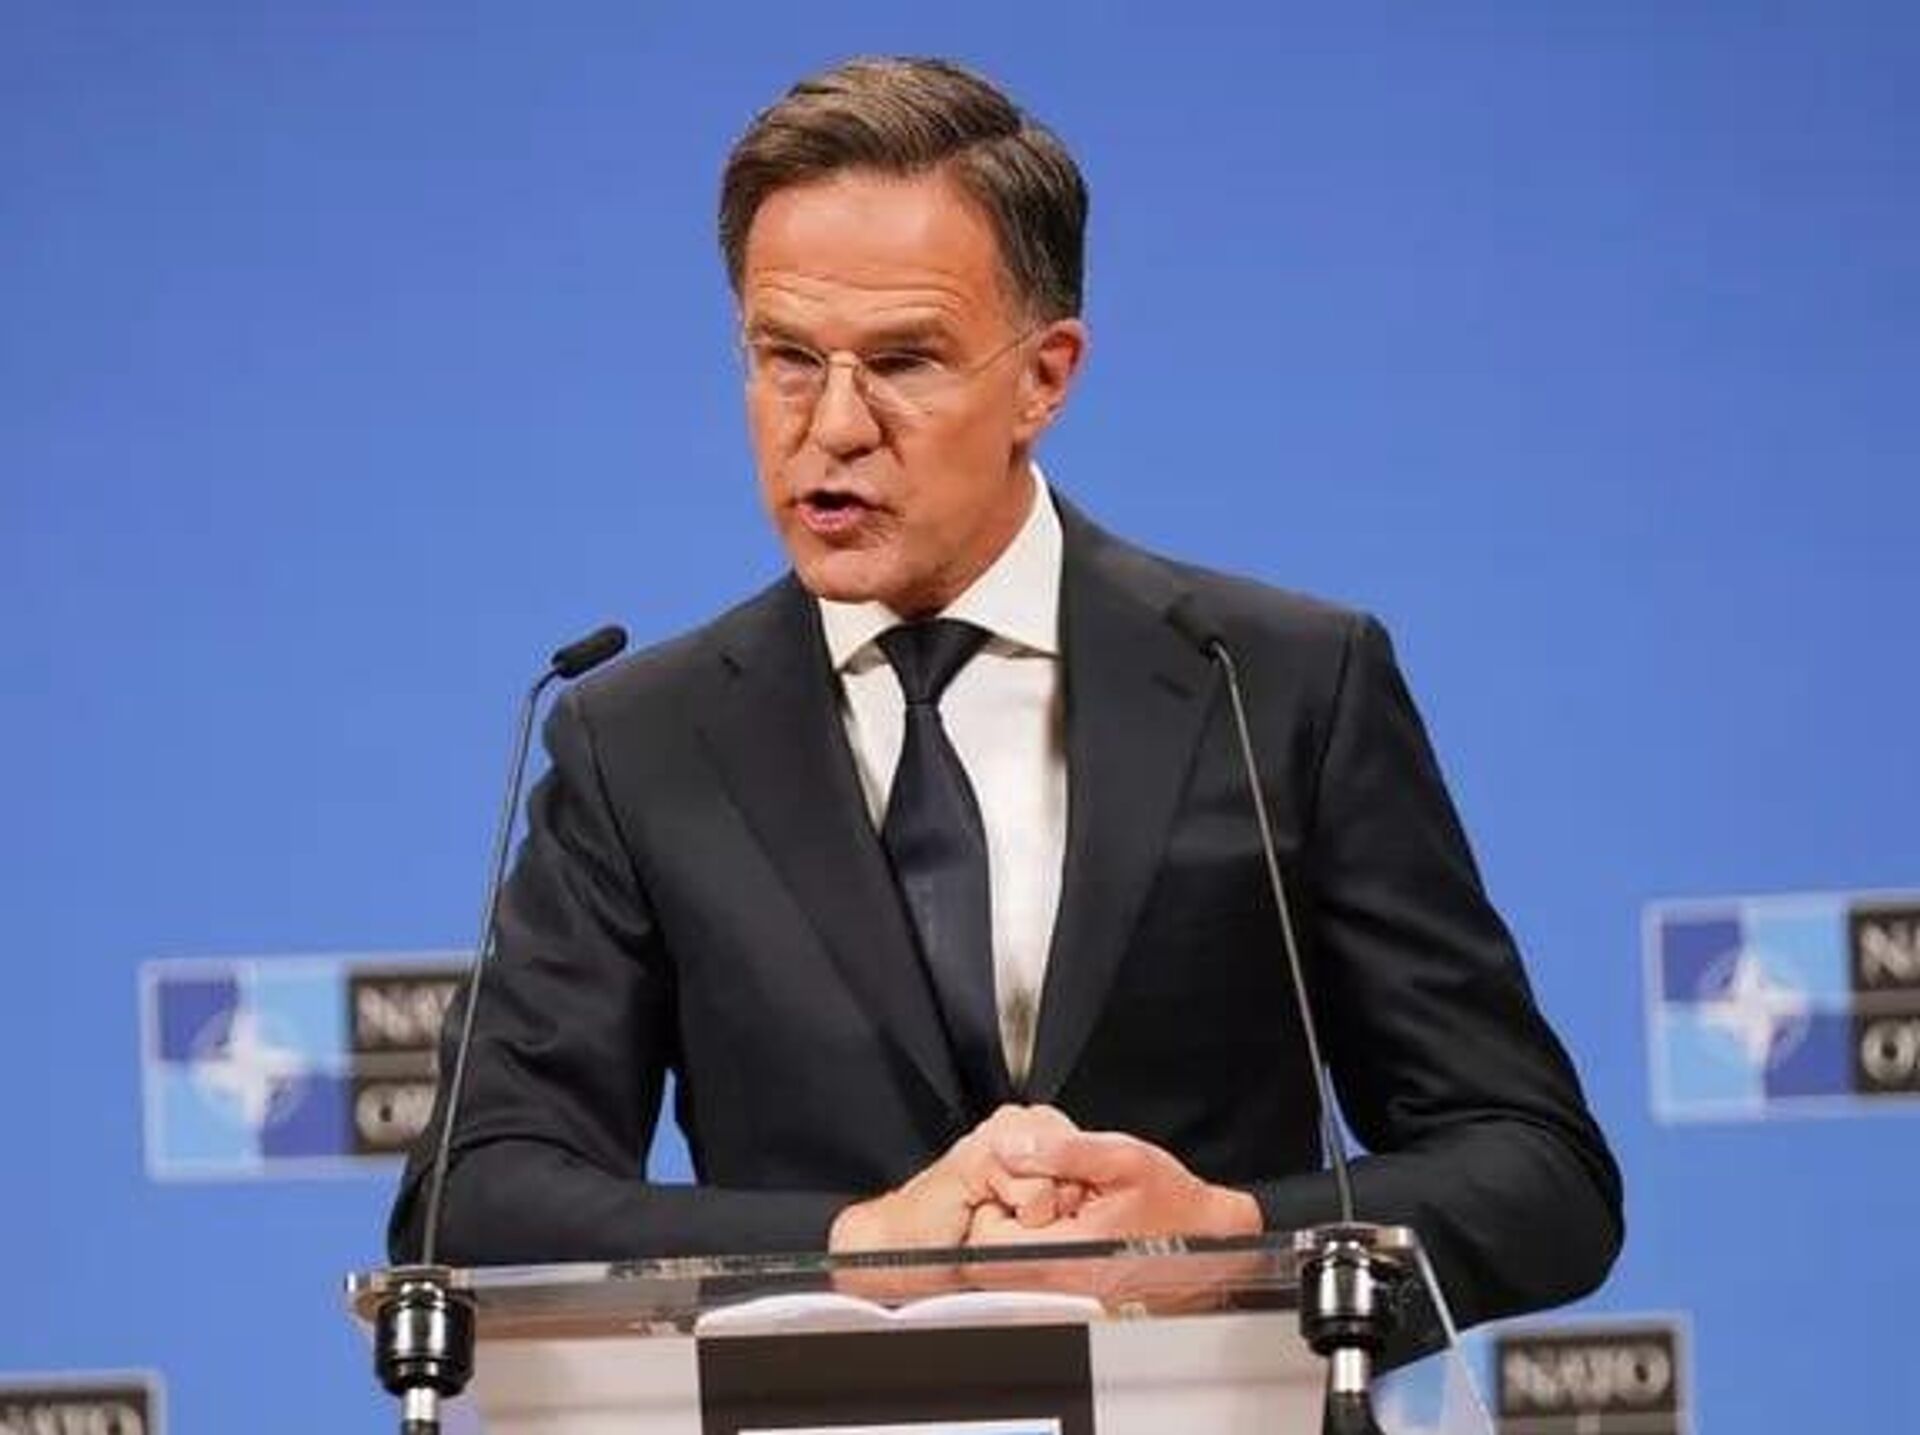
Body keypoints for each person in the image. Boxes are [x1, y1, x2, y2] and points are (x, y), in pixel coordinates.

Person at [389, 56, 1622, 1328]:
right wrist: (856, 1248)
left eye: (904, 361)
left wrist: (1234, 1240)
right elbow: (473, 1197)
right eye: (787, 357)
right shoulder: (639, 741)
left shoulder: (1278, 683)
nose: (834, 425)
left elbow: (1537, 1172)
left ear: (1045, 375)